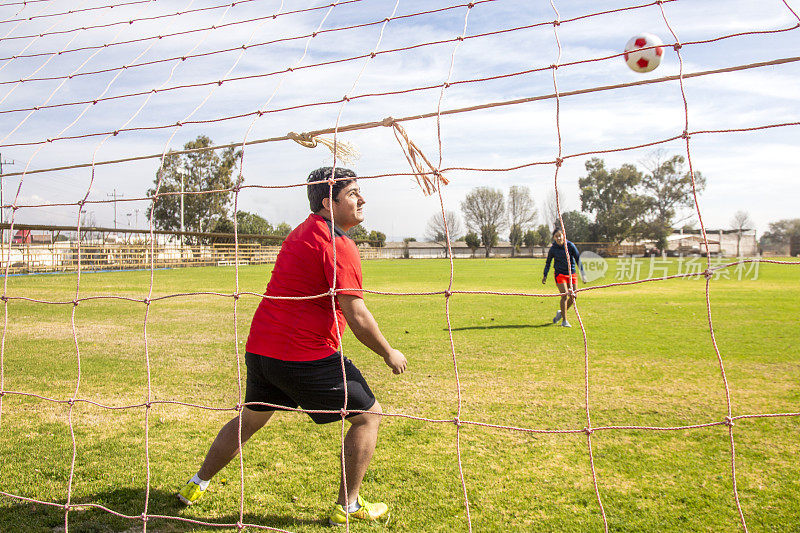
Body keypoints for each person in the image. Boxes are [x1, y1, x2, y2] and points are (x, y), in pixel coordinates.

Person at [178, 167, 407, 526]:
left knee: (250, 419)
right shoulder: (337, 244)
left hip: (262, 350)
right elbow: (357, 313)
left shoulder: (303, 230)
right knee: (368, 416)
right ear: (328, 204)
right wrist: (388, 352)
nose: (362, 200)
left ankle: (196, 483)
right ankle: (348, 506)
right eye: (353, 194)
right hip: (303, 355)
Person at [541, 228, 586, 328]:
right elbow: (548, 262)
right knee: (565, 296)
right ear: (554, 238)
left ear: (563, 235)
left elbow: (578, 259)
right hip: (559, 274)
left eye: (560, 235)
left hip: (571, 274)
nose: (558, 238)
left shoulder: (570, 246)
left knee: (574, 296)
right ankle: (564, 321)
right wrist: (545, 275)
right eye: (556, 236)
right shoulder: (553, 248)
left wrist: (583, 274)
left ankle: (561, 313)